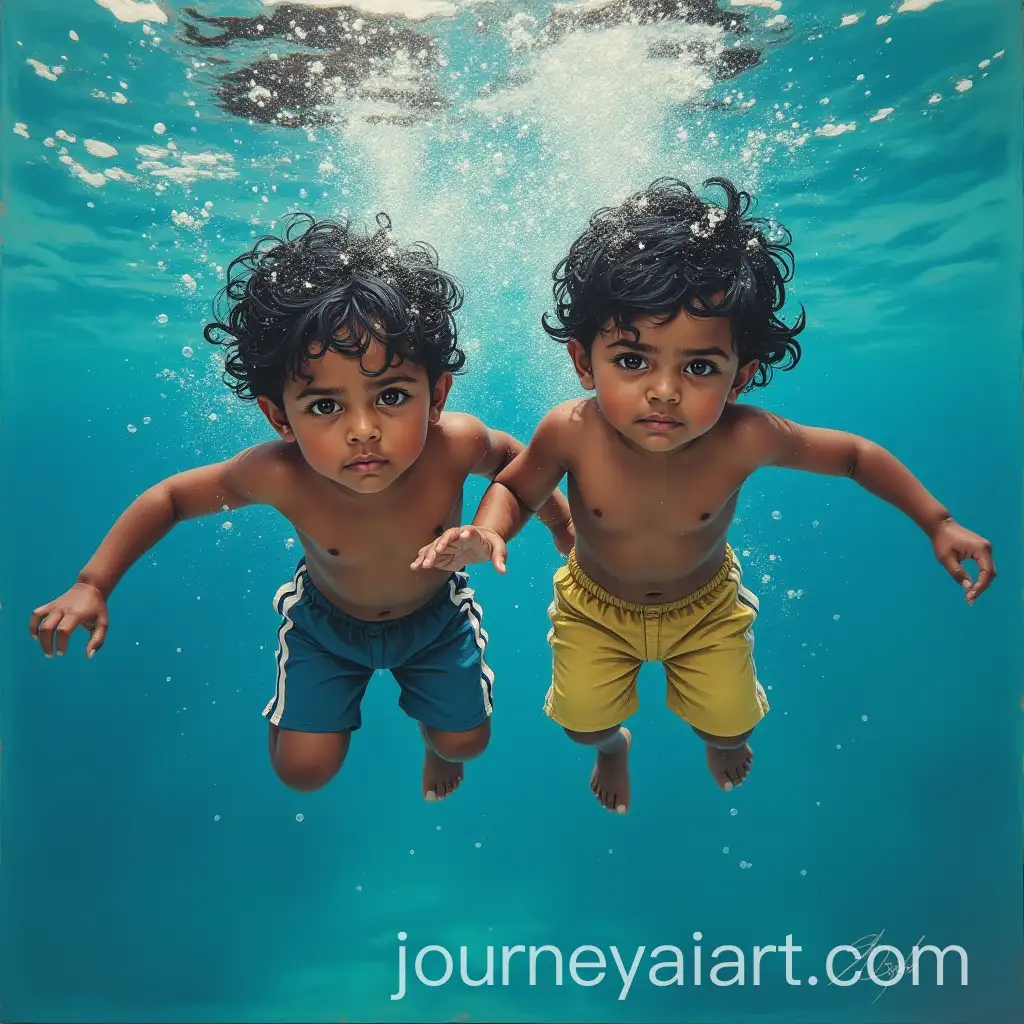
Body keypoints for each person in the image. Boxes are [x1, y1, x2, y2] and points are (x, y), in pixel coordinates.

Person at [411, 176, 996, 814]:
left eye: (698, 367)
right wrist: (491, 530)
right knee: (580, 724)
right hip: (594, 607)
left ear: (740, 377)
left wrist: (937, 521)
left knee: (732, 723)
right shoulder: (569, 430)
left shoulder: (744, 437)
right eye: (633, 360)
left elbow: (854, 456)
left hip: (706, 611)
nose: (664, 391)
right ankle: (613, 747)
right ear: (584, 361)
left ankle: (721, 739)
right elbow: (516, 489)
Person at [29, 212, 572, 802]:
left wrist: (560, 527)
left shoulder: (457, 444)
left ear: (436, 394)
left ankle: (430, 734)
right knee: (302, 771)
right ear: (279, 416)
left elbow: (518, 464)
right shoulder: (278, 473)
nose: (362, 430)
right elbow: (171, 497)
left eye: (392, 396)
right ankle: (303, 717)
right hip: (326, 627)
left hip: (435, 619)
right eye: (324, 407)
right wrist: (92, 583)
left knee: (464, 743)